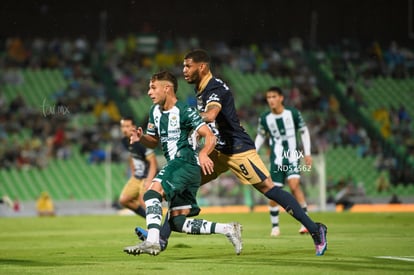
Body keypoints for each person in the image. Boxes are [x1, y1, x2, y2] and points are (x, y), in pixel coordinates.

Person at [182, 49, 327, 256]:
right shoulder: (201, 89)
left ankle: (316, 230)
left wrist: (187, 119)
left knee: (270, 189)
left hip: (237, 150)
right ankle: (158, 237)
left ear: (202, 66)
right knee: (185, 184)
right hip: (218, 150)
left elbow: (212, 114)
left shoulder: (215, 89)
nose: (184, 70)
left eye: (188, 66)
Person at [123, 71, 242, 256]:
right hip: (182, 168)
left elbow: (209, 136)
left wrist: (203, 153)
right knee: (177, 222)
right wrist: (141, 139)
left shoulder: (185, 111)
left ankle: (152, 241)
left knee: (152, 193)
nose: (149, 92)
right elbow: (153, 141)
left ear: (167, 88)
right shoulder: (154, 111)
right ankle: (228, 229)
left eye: (153, 88)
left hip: (185, 162)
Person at [254, 86, 312, 237]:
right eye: (268, 97)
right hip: (276, 159)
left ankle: (305, 222)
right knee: (273, 191)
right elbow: (261, 136)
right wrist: (253, 152)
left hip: (292, 156)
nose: (271, 100)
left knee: (294, 186)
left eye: (274, 97)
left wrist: (308, 153)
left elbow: (304, 131)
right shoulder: (265, 117)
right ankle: (275, 227)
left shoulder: (292, 113)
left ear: (281, 98)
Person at [118, 116, 158, 218]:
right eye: (123, 126)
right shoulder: (125, 140)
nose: (124, 129)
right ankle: (150, 220)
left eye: (127, 126)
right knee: (124, 200)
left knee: (143, 201)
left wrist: (149, 180)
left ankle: (156, 227)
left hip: (147, 176)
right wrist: (133, 172)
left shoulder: (141, 141)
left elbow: (153, 162)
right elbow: (132, 155)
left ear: (134, 127)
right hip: (137, 176)